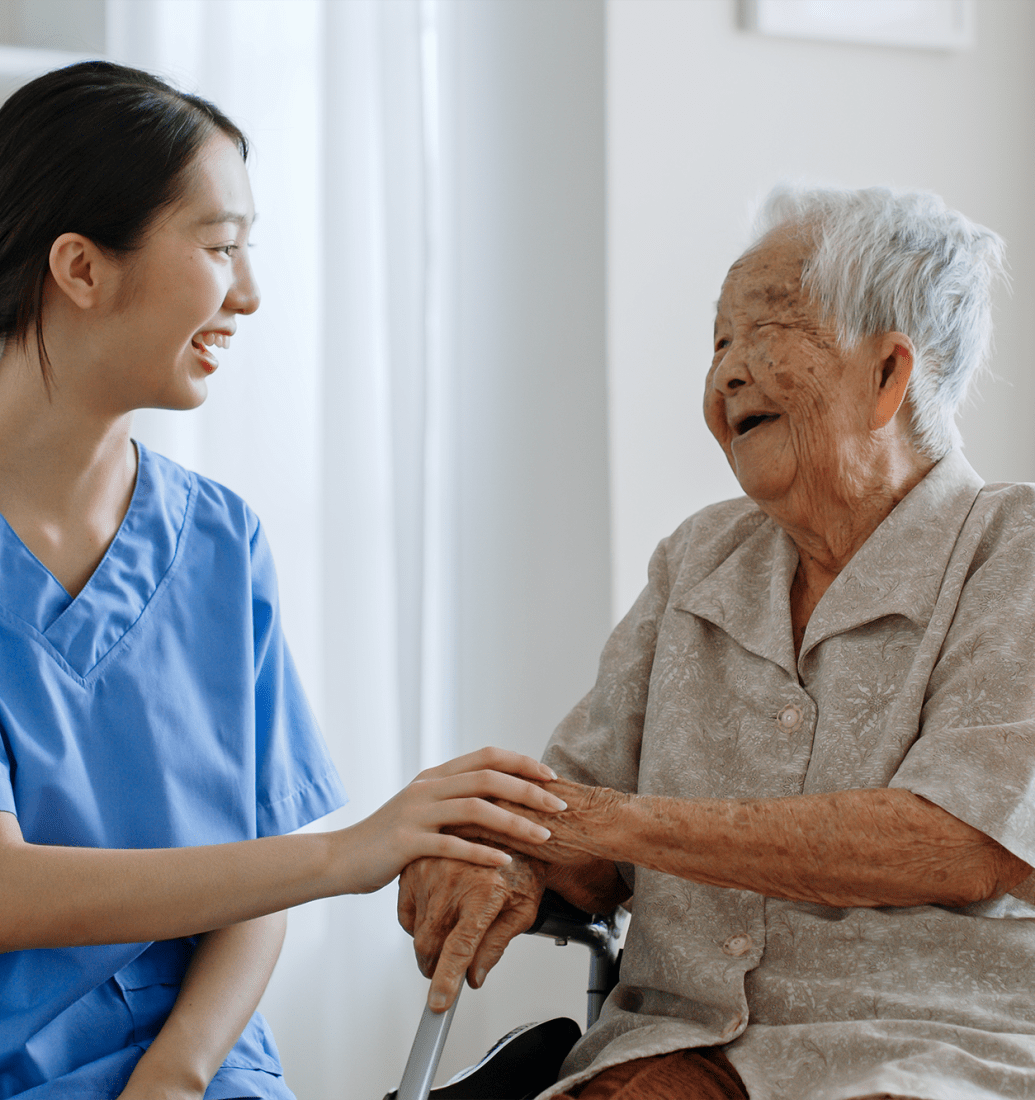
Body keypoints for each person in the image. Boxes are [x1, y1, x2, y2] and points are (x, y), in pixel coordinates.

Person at [0, 61, 567, 1100]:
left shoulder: (220, 538)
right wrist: (350, 854)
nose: (250, 292)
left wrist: (177, 1071)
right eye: (221, 246)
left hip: (191, 1059)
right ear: (81, 268)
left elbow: (248, 870)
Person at [398, 185, 1035, 1100]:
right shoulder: (700, 560)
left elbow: (962, 842)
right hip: (681, 1050)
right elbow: (565, 819)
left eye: (764, 332)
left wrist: (599, 819)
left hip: (933, 1052)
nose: (727, 373)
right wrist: (498, 853)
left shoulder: (1011, 552)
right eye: (717, 343)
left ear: (888, 374)